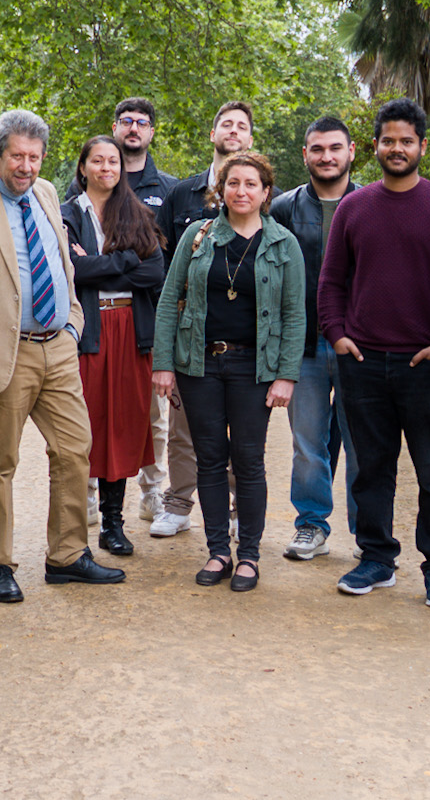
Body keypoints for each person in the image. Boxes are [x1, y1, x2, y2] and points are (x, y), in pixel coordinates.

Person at [0, 109, 124, 604]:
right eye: (16, 155)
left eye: (34, 157)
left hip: (57, 347)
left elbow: (62, 262)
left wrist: (73, 321)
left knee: (74, 449)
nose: (26, 166)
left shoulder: (44, 195)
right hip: (5, 353)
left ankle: (66, 556)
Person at [318, 97, 430, 607]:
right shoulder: (353, 208)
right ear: (376, 147)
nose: (398, 148)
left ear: (422, 146)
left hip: (424, 364)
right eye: (389, 140)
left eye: (407, 140)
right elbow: (331, 279)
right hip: (362, 363)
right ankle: (377, 558)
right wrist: (337, 334)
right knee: (371, 468)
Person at [153, 150, 306, 592]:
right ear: (220, 190)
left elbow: (295, 314)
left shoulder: (283, 244)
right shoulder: (198, 237)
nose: (241, 191)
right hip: (199, 363)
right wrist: (164, 363)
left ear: (265, 192)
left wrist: (286, 375)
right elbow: (169, 299)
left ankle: (250, 556)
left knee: (249, 459)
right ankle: (219, 550)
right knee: (210, 458)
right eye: (233, 183)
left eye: (251, 184)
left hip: (254, 367)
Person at [151, 99, 256, 538]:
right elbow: (162, 264)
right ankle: (177, 504)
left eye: (241, 126)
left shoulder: (258, 190)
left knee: (241, 427)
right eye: (225, 124)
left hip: (243, 332)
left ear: (250, 139)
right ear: (212, 135)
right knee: (184, 424)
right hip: (191, 331)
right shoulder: (181, 194)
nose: (233, 130)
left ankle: (235, 510)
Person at [61, 135, 165, 558]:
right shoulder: (64, 214)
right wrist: (125, 261)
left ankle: (114, 524)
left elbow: (154, 270)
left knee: (123, 425)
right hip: (88, 330)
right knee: (85, 425)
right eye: (98, 160)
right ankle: (70, 530)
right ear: (83, 166)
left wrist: (100, 267)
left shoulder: (136, 212)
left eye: (114, 161)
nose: (107, 167)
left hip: (129, 327)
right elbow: (71, 270)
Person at [269, 116, 364, 561]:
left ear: (351, 152)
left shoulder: (370, 202)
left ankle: (370, 535)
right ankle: (311, 525)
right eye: (318, 149)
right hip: (302, 345)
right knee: (308, 442)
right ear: (305, 154)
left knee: (363, 441)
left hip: (358, 344)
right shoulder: (284, 208)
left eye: (335, 148)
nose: (327, 156)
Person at [112, 96, 174, 522]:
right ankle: (94, 488)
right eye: (126, 121)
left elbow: (164, 264)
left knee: (153, 412)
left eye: (142, 122)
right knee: (95, 406)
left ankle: (153, 490)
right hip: (97, 315)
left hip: (150, 315)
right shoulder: (88, 180)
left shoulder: (169, 190)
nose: (133, 128)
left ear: (151, 132)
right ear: (115, 127)